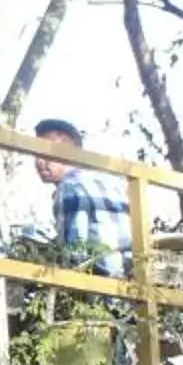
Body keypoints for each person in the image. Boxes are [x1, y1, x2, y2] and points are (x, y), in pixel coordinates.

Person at [29, 118, 131, 276]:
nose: (39, 161)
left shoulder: (69, 187)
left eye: (45, 153)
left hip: (102, 287)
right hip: (133, 283)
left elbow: (74, 252)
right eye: (36, 154)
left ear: (67, 149)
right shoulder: (111, 183)